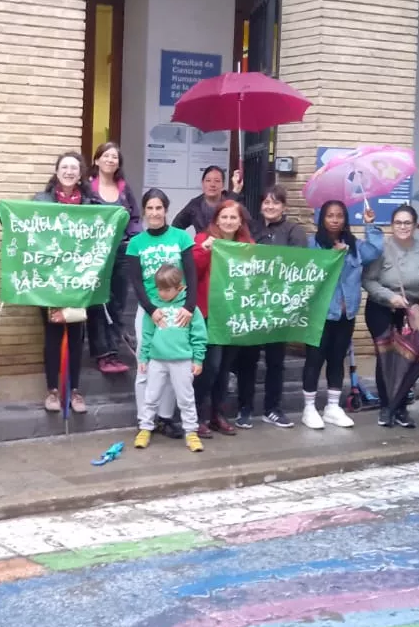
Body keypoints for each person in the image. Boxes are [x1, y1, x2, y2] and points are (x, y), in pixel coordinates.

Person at [301, 200, 383, 430]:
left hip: (346, 316)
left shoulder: (353, 245)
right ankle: (309, 408)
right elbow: (307, 273)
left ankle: (332, 407)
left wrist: (370, 225)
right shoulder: (312, 244)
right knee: (314, 360)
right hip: (320, 315)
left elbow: (375, 250)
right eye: (330, 215)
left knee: (337, 360)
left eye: (339, 216)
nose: (335, 220)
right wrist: (332, 257)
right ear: (322, 219)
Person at [121, 189, 196, 438]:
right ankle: (146, 420)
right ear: (144, 212)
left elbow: (191, 275)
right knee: (146, 366)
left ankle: (165, 418)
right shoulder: (136, 243)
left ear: (166, 210)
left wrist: (189, 307)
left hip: (178, 311)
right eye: (150, 208)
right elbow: (137, 282)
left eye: (159, 208)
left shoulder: (181, 238)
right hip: (149, 311)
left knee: (174, 364)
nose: (154, 213)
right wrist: (151, 310)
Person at [33, 152, 96, 413]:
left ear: (80, 174)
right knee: (53, 332)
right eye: (64, 167)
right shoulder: (41, 200)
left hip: (79, 278)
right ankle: (52, 390)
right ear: (57, 171)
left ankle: (74, 391)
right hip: (50, 279)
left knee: (77, 334)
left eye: (74, 168)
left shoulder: (91, 204)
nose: (69, 172)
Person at [362, 203, 419, 429]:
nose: (403, 227)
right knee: (386, 359)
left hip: (409, 311)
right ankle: (386, 406)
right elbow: (368, 280)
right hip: (382, 308)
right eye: (398, 222)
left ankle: (401, 408)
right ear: (392, 225)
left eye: (407, 222)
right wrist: (389, 297)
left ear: (415, 225)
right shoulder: (381, 247)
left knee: (408, 358)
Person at [189, 199, 254, 437]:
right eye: (224, 217)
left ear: (240, 221)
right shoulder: (202, 239)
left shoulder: (248, 246)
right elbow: (191, 270)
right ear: (216, 219)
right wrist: (205, 249)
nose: (228, 221)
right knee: (210, 367)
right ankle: (196, 415)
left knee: (225, 368)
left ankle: (217, 414)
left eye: (233, 217)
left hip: (233, 315)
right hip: (209, 315)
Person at [247, 186, 309, 427]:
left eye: (275, 202)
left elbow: (298, 263)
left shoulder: (294, 231)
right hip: (251, 303)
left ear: (284, 206)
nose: (270, 207)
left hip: (279, 304)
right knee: (248, 358)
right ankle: (245, 407)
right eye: (266, 202)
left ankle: (273, 408)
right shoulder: (252, 229)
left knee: (275, 360)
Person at [133, 264, 205, 453]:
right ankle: (145, 428)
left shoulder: (189, 309)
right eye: (159, 289)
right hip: (157, 360)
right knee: (151, 396)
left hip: (182, 361)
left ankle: (191, 432)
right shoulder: (154, 309)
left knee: (186, 398)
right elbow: (147, 334)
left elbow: (199, 335)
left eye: (166, 290)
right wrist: (143, 357)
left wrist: (198, 359)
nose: (162, 293)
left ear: (179, 288)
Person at [87, 141, 141, 376]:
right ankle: (102, 354)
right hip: (96, 253)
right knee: (98, 303)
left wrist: (134, 239)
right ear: (97, 160)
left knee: (118, 302)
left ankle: (115, 351)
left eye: (114, 157)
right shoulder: (88, 188)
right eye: (106, 156)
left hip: (120, 252)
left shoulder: (124, 188)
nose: (110, 160)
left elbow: (135, 218)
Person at [172, 165, 243, 234]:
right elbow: (176, 226)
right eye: (208, 180)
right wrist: (186, 241)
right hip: (203, 242)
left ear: (223, 185)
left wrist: (235, 191)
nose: (212, 184)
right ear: (202, 183)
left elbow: (247, 228)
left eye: (217, 181)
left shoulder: (234, 201)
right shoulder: (195, 205)